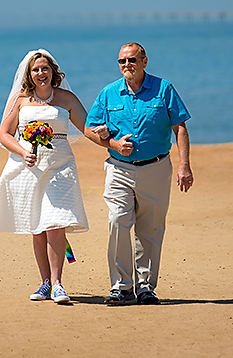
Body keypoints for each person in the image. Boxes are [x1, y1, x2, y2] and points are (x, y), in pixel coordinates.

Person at [83, 42, 193, 305]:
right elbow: (89, 128)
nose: (126, 65)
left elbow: (180, 128)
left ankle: (145, 288)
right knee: (117, 222)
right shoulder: (109, 93)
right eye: (122, 61)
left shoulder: (164, 89)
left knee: (150, 229)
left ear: (144, 61)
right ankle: (121, 287)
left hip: (156, 168)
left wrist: (184, 165)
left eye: (132, 60)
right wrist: (113, 144)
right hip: (118, 169)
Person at [0, 49, 91, 305]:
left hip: (61, 166)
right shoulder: (20, 100)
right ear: (29, 74)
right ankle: (44, 283)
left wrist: (111, 139)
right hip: (29, 168)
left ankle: (57, 284)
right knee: (38, 228)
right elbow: (5, 134)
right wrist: (23, 151)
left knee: (56, 223)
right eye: (36, 70)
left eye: (45, 68)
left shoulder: (67, 98)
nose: (41, 73)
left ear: (53, 71)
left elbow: (87, 127)